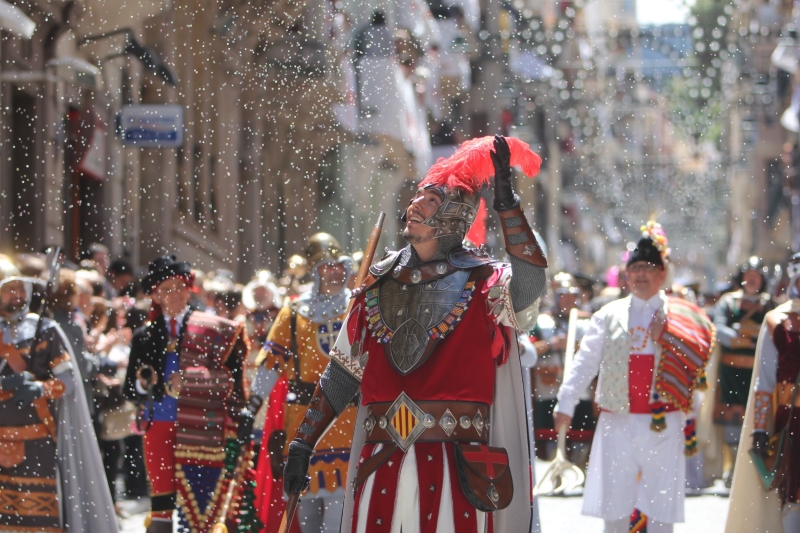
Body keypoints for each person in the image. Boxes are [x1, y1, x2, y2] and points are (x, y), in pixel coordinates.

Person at [282, 135, 548, 532]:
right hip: (380, 461)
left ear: (455, 215)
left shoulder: (485, 281)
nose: (413, 204)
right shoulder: (376, 282)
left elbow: (529, 286)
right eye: (417, 197)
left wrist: (508, 207)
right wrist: (304, 442)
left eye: (430, 200)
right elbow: (342, 373)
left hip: (456, 466)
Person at [554, 222, 714, 533]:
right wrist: (566, 401)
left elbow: (697, 362)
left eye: (648, 268)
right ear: (626, 275)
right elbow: (585, 361)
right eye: (635, 268)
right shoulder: (607, 314)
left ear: (661, 274)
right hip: (618, 420)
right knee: (615, 502)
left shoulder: (681, 314)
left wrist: (667, 336)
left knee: (660, 504)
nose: (641, 274)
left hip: (664, 421)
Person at [123, 255, 249, 533]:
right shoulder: (144, 336)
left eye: (179, 286)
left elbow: (232, 379)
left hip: (202, 426)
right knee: (161, 502)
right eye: (166, 289)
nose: (174, 294)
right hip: (159, 424)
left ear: (189, 288)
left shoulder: (212, 328)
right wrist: (146, 384)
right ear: (155, 295)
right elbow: (130, 389)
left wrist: (191, 380)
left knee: (202, 504)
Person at [243, 233, 357, 532]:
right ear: (315, 270)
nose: (335, 271)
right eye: (326, 266)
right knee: (304, 514)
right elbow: (270, 364)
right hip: (304, 424)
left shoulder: (357, 306)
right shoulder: (293, 312)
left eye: (338, 265)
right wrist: (251, 407)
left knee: (336, 516)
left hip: (346, 420)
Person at [0, 274, 118, 532]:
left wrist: (40, 387)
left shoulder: (45, 329)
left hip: (37, 438)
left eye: (20, 288)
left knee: (39, 516)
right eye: (9, 289)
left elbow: (69, 378)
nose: (16, 294)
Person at [725, 253, 800, 533]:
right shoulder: (777, 319)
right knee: (794, 493)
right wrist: (759, 429)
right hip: (793, 418)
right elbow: (766, 380)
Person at [712, 256, 773, 486]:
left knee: (757, 415)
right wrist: (737, 336)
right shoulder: (729, 303)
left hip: (758, 371)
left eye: (755, 276)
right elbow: (718, 329)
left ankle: (750, 470)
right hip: (731, 372)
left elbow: (773, 332)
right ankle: (733, 466)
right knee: (731, 417)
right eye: (748, 276)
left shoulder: (769, 305)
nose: (751, 280)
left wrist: (753, 337)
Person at [530, 272, 595, 467]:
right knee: (550, 435)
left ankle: (577, 468)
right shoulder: (541, 323)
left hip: (581, 390)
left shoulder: (588, 323)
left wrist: (575, 346)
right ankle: (555, 470)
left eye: (572, 296)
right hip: (549, 387)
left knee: (580, 435)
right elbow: (528, 349)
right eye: (564, 296)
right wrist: (550, 344)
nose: (568, 301)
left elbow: (598, 353)